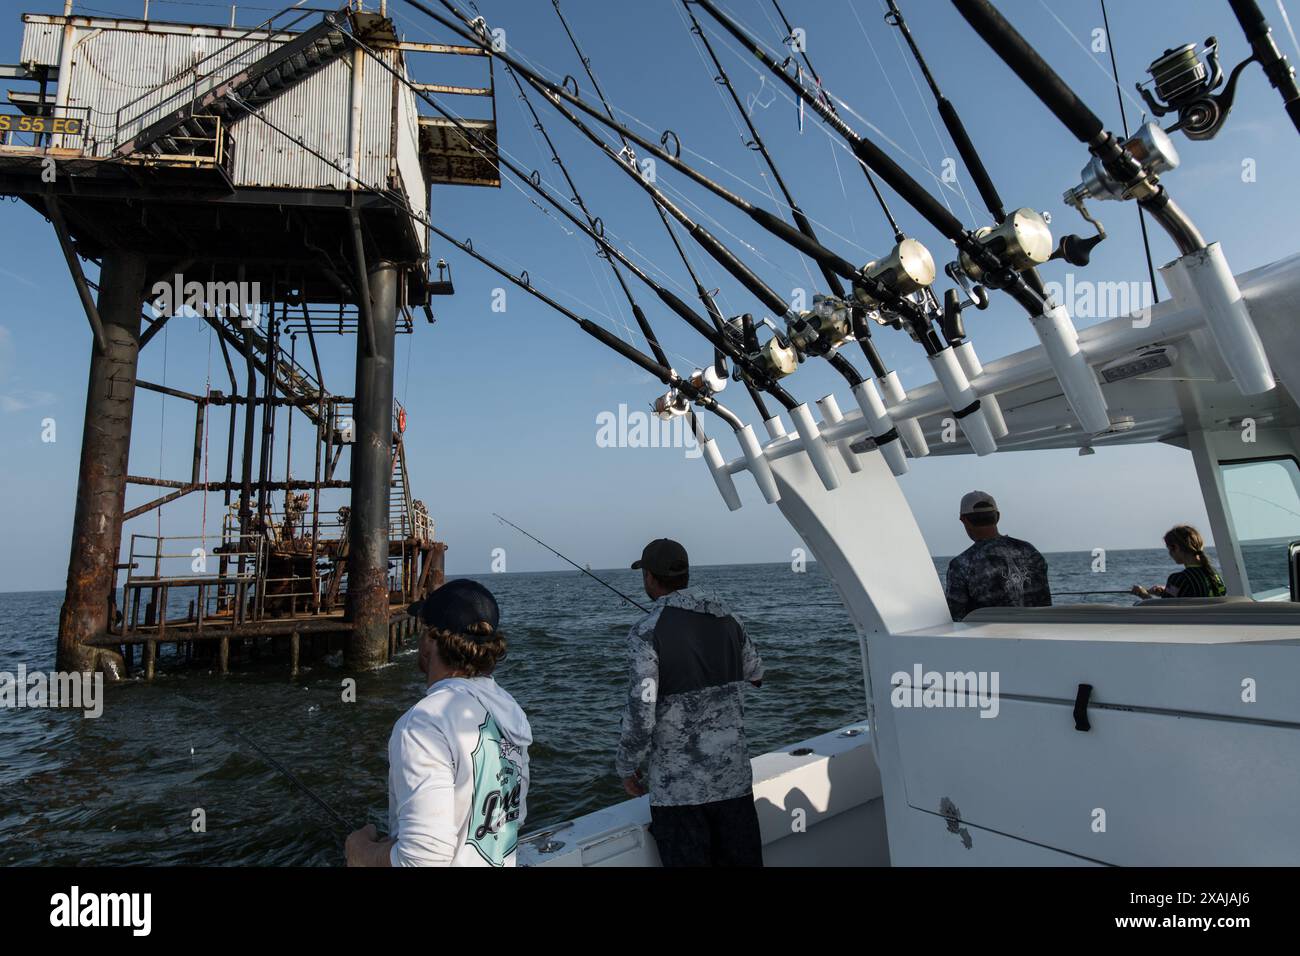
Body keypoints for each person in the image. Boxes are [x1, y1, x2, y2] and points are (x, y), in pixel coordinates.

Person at [345, 579, 532, 867]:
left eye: (421, 631)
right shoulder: (509, 712)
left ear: (431, 641)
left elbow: (423, 860)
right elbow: (511, 818)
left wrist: (360, 853)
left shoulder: (423, 725)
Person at [616, 538, 765, 867]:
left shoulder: (646, 631)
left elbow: (642, 714)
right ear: (685, 575)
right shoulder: (728, 619)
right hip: (734, 783)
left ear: (650, 579)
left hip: (679, 795)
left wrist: (627, 768)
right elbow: (756, 675)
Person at [945, 491, 1052, 621]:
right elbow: (1046, 605)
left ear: (964, 520)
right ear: (998, 516)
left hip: (992, 640)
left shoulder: (962, 564)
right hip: (1038, 635)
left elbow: (956, 618)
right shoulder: (1030, 552)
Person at [1132, 525, 1227, 599]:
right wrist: (1165, 591)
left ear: (1176, 548)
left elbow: (1163, 610)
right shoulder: (1214, 575)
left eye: (1169, 549)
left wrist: (1143, 594)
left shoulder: (1178, 579)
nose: (1170, 554)